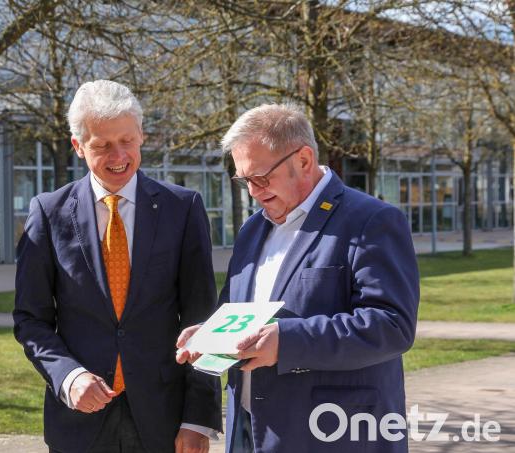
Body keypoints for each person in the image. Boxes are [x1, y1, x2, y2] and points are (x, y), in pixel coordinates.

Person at [176, 104, 419, 452]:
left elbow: (391, 325)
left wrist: (287, 342)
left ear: (304, 160)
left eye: (261, 178)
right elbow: (237, 312)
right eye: (245, 180)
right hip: (250, 430)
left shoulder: (371, 220)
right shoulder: (252, 229)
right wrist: (211, 335)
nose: (253, 192)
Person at [13, 80, 222, 453]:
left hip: (164, 420)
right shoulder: (48, 213)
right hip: (79, 422)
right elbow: (31, 320)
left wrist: (198, 419)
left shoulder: (182, 209)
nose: (119, 155)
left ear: (142, 136)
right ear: (78, 146)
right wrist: (68, 376)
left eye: (127, 140)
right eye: (102, 145)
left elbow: (202, 321)